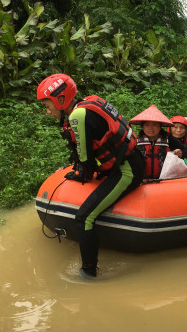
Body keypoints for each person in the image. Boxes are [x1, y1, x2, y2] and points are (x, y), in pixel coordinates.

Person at [37, 73, 143, 278]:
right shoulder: (88, 103)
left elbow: (86, 161)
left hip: (127, 170)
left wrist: (81, 173)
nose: (47, 111)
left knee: (84, 217)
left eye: (47, 105)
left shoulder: (77, 116)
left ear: (61, 100)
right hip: (130, 161)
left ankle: (88, 273)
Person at [130, 105, 187, 179]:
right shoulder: (137, 140)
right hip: (143, 180)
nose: (150, 129)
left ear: (160, 126)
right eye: (147, 125)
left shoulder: (169, 139)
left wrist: (181, 153)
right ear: (143, 127)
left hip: (164, 180)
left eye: (154, 125)